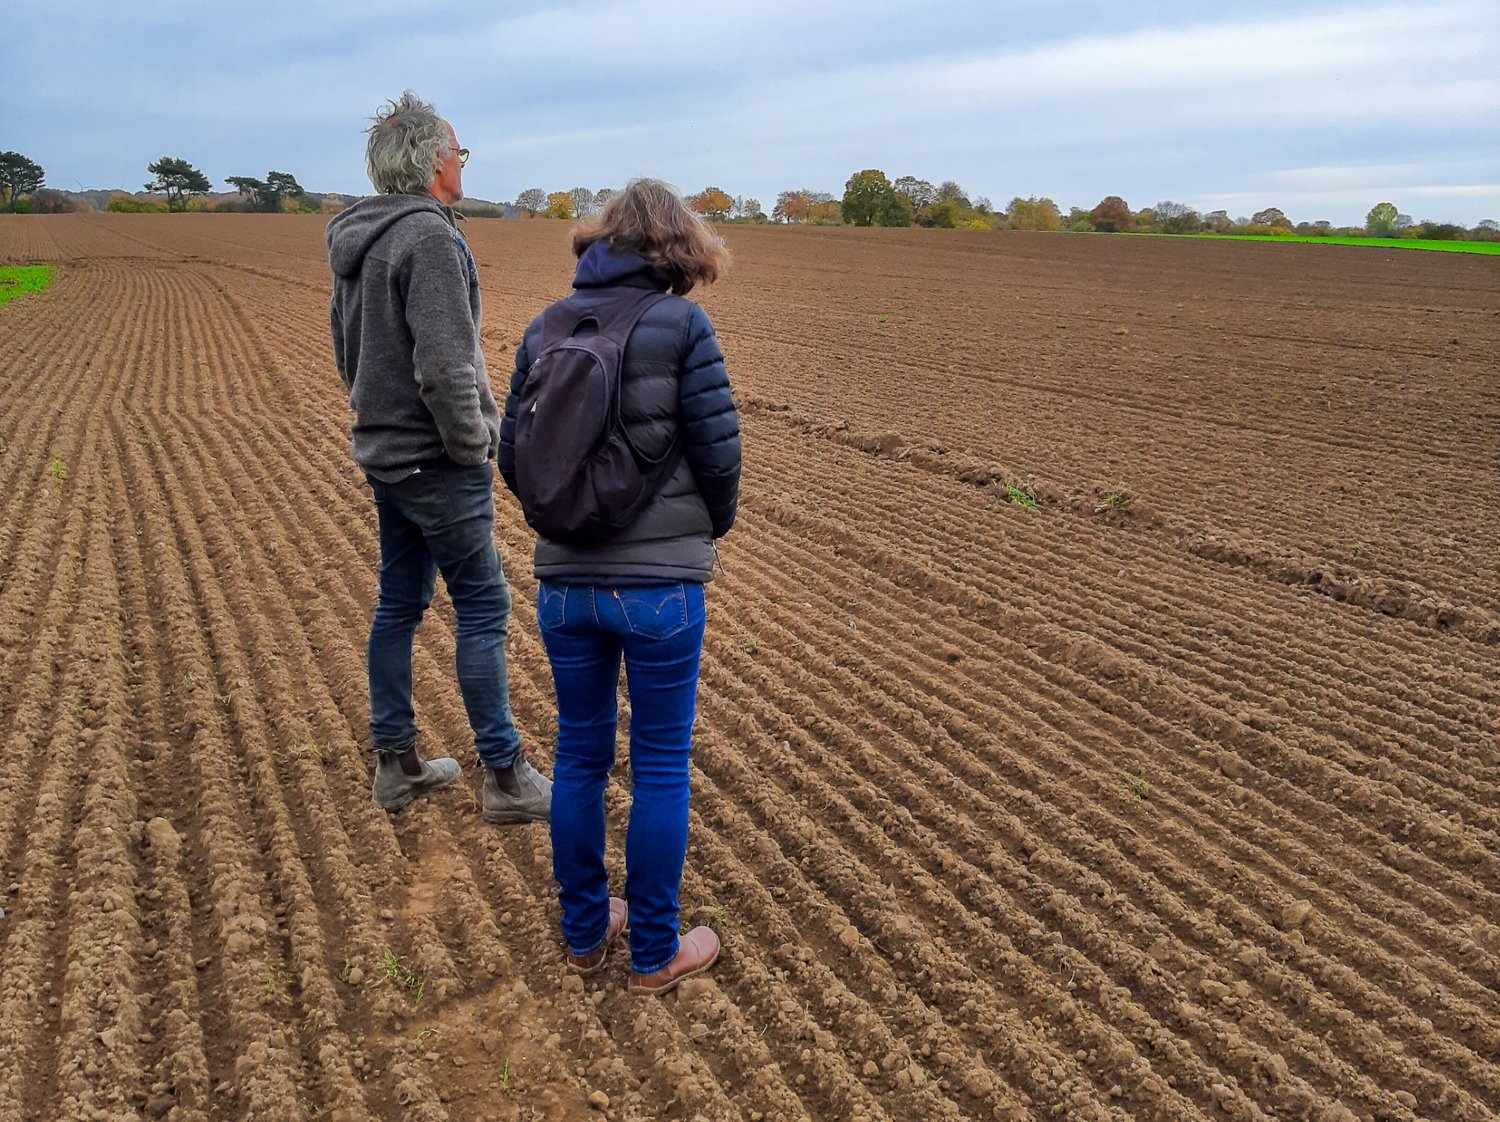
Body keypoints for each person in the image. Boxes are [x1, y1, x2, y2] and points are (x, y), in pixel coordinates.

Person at [499, 179, 740, 994]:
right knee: (662, 765)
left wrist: (565, 522)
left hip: (564, 586)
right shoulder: (683, 326)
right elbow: (719, 455)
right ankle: (653, 953)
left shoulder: (547, 325)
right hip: (662, 589)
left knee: (578, 757)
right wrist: (702, 531)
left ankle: (581, 934)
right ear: (680, 250)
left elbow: (513, 453)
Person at [326, 90, 551, 823]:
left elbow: (345, 350)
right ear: (432, 163)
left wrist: (380, 423)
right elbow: (448, 366)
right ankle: (506, 775)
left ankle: (397, 767)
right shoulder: (427, 237)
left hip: (386, 456)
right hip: (435, 462)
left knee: (399, 604)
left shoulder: (358, 236)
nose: (461, 163)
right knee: (484, 606)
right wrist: (474, 446)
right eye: (458, 152)